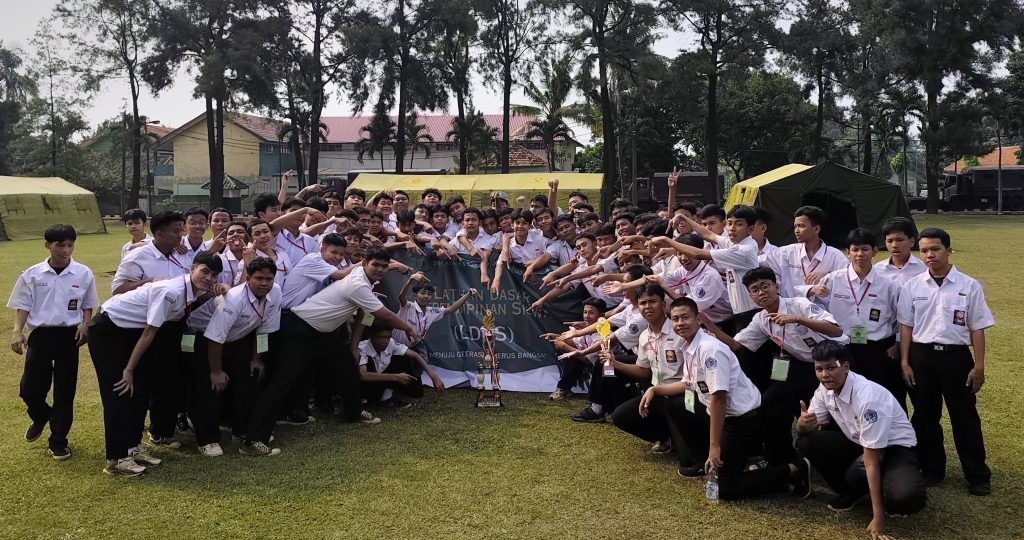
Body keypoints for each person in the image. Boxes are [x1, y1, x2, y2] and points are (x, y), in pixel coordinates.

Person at [240, 247, 422, 456]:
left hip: (324, 333)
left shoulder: (365, 280)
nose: (380, 269)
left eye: (384, 266)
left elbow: (364, 316)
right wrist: (408, 328)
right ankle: (253, 441)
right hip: (300, 330)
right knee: (282, 382)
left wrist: (353, 347)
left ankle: (354, 412)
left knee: (348, 368)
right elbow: (385, 315)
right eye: (375, 265)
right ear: (365, 264)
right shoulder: (358, 284)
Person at [643, 298, 810, 498]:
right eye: (675, 319)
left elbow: (719, 398)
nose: (680, 323)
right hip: (720, 413)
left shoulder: (710, 349)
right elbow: (688, 383)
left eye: (685, 317)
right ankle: (706, 461)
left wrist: (715, 446)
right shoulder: (690, 345)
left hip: (741, 420)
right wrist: (655, 390)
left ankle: (793, 470)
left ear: (698, 319)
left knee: (724, 489)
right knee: (678, 405)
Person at [87, 252, 226, 476]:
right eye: (205, 271)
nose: (209, 278)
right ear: (192, 268)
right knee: (119, 391)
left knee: (139, 390)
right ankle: (116, 459)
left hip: (128, 332)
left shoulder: (190, 291)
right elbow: (149, 333)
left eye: (214, 275)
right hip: (108, 330)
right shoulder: (171, 291)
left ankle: (132, 448)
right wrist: (129, 369)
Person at [701, 266, 848, 466]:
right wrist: (709, 325)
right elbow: (736, 344)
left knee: (830, 411)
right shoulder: (761, 319)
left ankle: (837, 455)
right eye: (755, 290)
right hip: (802, 365)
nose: (761, 293)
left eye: (765, 286)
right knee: (771, 402)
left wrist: (797, 319)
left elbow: (836, 331)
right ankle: (782, 457)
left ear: (776, 287)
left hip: (833, 361)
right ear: (751, 296)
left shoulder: (799, 304)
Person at [897, 227, 994, 495]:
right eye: (924, 250)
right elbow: (906, 326)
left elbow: (977, 328)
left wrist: (979, 366)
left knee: (965, 417)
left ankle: (977, 475)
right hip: (921, 357)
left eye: (935, 249)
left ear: (948, 251)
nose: (929, 255)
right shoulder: (912, 286)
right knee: (925, 416)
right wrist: (905, 362)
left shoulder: (968, 285)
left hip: (956, 358)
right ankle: (931, 469)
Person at [797, 341, 926, 539]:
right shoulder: (824, 389)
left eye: (830, 368)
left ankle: (893, 485)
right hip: (861, 444)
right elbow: (807, 426)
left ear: (845, 367)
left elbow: (871, 460)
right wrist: (801, 424)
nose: (824, 375)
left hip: (894, 448)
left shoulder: (868, 398)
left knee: (905, 496)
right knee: (806, 441)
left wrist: (878, 518)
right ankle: (854, 492)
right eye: (819, 369)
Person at [7, 224, 99, 461]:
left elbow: (88, 304)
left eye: (70, 245)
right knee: (29, 389)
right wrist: (17, 331)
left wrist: (85, 324)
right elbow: (23, 305)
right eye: (60, 245)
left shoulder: (83, 273)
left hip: (69, 336)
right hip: (41, 335)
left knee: (64, 391)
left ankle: (58, 441)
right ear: (47, 245)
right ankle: (41, 415)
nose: (66, 250)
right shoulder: (32, 274)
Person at [188, 257, 282, 457]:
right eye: (259, 278)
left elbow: (264, 330)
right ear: (247, 278)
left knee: (247, 379)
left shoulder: (275, 292)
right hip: (202, 337)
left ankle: (241, 430)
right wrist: (216, 371)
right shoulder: (234, 298)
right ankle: (207, 439)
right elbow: (215, 338)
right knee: (211, 387)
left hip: (235, 338)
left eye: (269, 279)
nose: (264, 283)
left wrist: (256, 359)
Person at [808, 228, 903, 407]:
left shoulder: (888, 285)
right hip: (842, 346)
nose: (860, 254)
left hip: (875, 349)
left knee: (875, 395)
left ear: (874, 251)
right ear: (847, 252)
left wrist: (896, 344)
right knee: (841, 396)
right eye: (855, 249)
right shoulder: (832, 280)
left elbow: (900, 316)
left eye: (865, 249)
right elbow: (816, 309)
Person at [607, 284, 693, 467]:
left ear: (663, 304)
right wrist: (615, 363)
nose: (647, 307)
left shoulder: (680, 331)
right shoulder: (644, 336)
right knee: (620, 416)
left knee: (688, 462)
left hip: (683, 396)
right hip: (658, 395)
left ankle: (684, 437)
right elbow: (643, 371)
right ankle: (667, 437)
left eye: (652, 301)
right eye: (643, 303)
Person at [766, 205, 847, 298]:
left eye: (801, 226)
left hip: (823, 307)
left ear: (816, 229)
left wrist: (828, 276)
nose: (796, 231)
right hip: (791, 306)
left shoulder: (835, 256)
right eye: (795, 226)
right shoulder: (786, 252)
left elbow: (848, 281)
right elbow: (760, 261)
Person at [358, 325, 445, 409]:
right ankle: (362, 401)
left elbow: (415, 355)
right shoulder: (362, 347)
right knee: (369, 363)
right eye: (381, 337)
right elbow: (363, 375)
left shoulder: (390, 343)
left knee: (404, 358)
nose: (385, 341)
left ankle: (386, 398)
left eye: (388, 337)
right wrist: (396, 377)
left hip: (382, 381)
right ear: (371, 336)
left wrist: (434, 376)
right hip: (366, 385)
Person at [112, 210, 193, 294]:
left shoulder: (182, 253)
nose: (180, 235)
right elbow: (117, 289)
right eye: (176, 231)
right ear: (159, 234)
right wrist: (150, 282)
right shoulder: (136, 257)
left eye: (181, 231)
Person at [394, 272, 477, 351]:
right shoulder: (408, 307)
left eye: (429, 294)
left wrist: (468, 294)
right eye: (423, 293)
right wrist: (410, 280)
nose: (426, 296)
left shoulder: (431, 311)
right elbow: (401, 297)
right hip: (396, 347)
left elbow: (451, 309)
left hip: (415, 346)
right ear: (415, 295)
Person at [543, 298, 606, 400]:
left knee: (572, 354)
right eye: (585, 312)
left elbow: (587, 359)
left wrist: (564, 346)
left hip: (609, 368)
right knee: (570, 354)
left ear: (601, 316)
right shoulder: (586, 330)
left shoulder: (604, 333)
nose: (587, 316)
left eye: (591, 313)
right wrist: (557, 337)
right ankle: (563, 389)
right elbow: (576, 343)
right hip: (596, 363)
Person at [492, 209, 547, 292]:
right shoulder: (509, 245)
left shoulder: (541, 241)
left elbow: (550, 257)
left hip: (542, 282)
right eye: (517, 223)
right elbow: (500, 263)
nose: (520, 226)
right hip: (522, 285)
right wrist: (496, 280)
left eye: (524, 223)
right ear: (512, 225)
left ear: (530, 226)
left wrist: (534, 263)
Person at [873, 217, 926, 286]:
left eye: (900, 240)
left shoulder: (923, 269)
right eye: (890, 241)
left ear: (912, 242)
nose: (894, 245)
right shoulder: (878, 270)